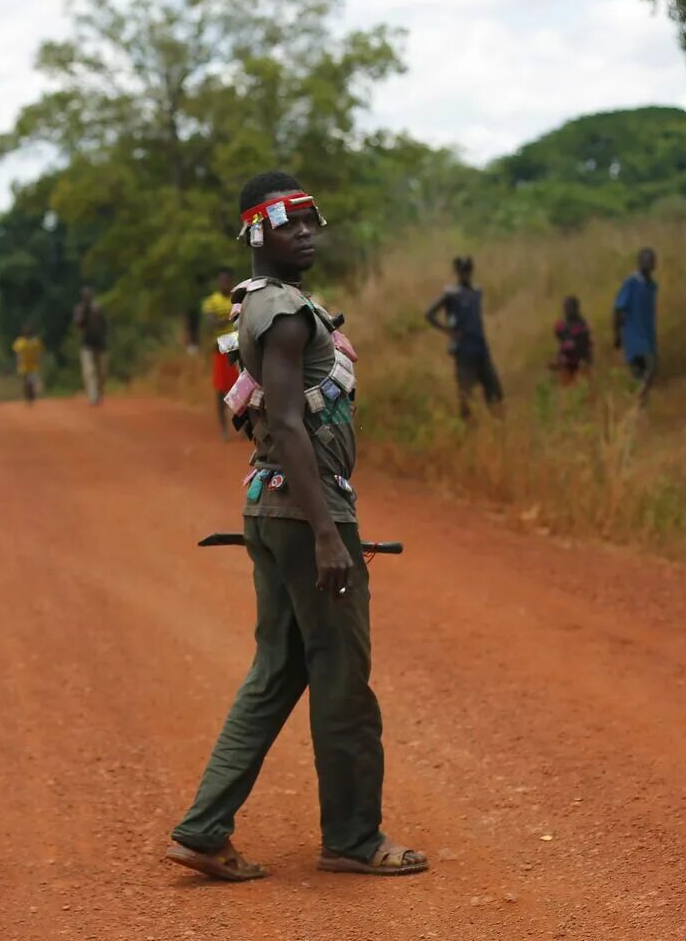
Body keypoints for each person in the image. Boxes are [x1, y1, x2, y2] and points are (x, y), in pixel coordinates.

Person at [167, 171, 424, 883]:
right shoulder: (282, 315)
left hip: (270, 506)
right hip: (305, 510)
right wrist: (326, 532)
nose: (307, 232)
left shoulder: (264, 304)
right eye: (290, 224)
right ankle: (353, 837)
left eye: (313, 219)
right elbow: (283, 422)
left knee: (278, 671)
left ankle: (203, 828)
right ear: (258, 233)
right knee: (342, 679)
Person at [424, 256, 503, 418]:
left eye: (468, 271)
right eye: (462, 271)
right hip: (463, 349)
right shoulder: (451, 294)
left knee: (494, 390)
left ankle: (498, 427)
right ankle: (467, 430)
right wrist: (447, 330)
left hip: (481, 348)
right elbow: (429, 314)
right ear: (457, 272)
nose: (465, 274)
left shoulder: (477, 291)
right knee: (466, 394)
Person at [613, 248, 659, 399]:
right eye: (645, 260)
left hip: (648, 334)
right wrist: (617, 335)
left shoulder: (652, 286)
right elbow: (619, 309)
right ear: (639, 262)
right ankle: (639, 399)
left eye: (650, 260)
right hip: (633, 335)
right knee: (648, 367)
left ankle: (639, 406)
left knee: (641, 375)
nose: (648, 263)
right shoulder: (631, 282)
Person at [201, 268, 238, 439]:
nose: (224, 284)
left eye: (227, 280)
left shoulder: (237, 300)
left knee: (242, 389)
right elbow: (211, 323)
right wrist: (231, 318)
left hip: (238, 349)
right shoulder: (211, 302)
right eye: (221, 280)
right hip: (222, 348)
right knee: (221, 389)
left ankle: (242, 426)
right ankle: (224, 428)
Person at [73, 287, 109, 406]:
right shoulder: (80, 309)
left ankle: (99, 393)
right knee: (90, 372)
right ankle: (93, 396)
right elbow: (79, 324)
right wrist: (84, 313)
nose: (86, 297)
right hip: (86, 345)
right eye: (84, 296)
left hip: (99, 343)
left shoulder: (98, 308)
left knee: (101, 372)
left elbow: (104, 324)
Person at [552, 296, 593, 386]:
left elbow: (586, 343)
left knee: (584, 387)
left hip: (581, 360)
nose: (569, 310)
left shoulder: (582, 324)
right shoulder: (561, 325)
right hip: (566, 361)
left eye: (570, 307)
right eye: (567, 307)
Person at [12, 325, 44, 405]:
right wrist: (19, 361)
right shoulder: (20, 342)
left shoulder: (35, 341)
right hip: (23, 366)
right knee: (25, 382)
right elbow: (18, 354)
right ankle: (27, 396)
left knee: (32, 382)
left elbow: (38, 353)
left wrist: (38, 360)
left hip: (33, 366)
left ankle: (31, 395)